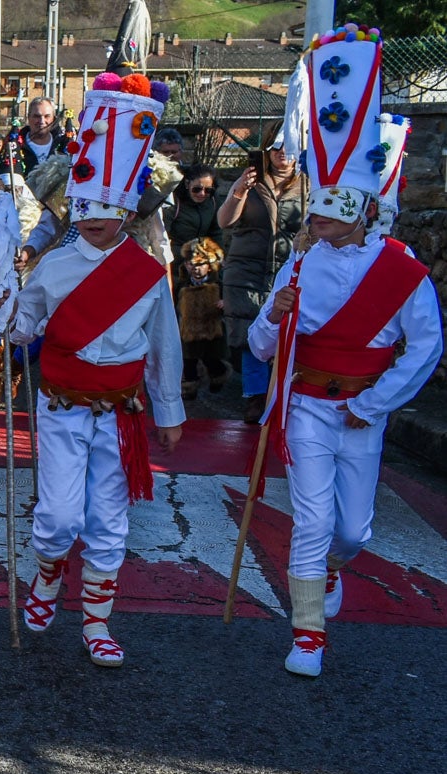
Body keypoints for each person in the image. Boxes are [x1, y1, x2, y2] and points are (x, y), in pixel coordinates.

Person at [247, 25, 442, 678]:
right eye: (314, 220)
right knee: (309, 518)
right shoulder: (297, 265)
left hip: (363, 409)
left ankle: (334, 568)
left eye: (326, 220)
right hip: (305, 403)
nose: (314, 227)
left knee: (352, 532)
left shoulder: (401, 270)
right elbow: (258, 343)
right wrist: (273, 318)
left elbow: (423, 346)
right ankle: (307, 636)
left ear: (360, 214)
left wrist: (379, 401)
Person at [1, 73, 184, 668]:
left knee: (108, 521)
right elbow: (23, 324)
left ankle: (98, 621)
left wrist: (171, 411)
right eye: (87, 209)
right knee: (56, 518)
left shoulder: (148, 274)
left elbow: (164, 346)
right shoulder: (53, 267)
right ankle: (48, 572)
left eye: (107, 210)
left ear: (127, 208)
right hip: (60, 406)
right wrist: (8, 313)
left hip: (121, 413)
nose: (94, 220)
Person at [217, 122, 303, 425]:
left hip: (288, 268)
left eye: (288, 146)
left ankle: (279, 393)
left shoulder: (309, 186)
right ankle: (255, 396)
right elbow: (225, 221)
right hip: (246, 268)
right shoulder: (250, 182)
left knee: (284, 331)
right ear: (266, 149)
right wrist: (239, 192)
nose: (282, 153)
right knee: (251, 332)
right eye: (276, 146)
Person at [176, 237, 229, 397]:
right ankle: (189, 387)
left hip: (211, 327)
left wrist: (224, 302)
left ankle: (218, 376)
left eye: (200, 264)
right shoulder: (182, 285)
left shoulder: (218, 285)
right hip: (188, 329)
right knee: (188, 361)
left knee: (211, 359)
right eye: (191, 264)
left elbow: (229, 299)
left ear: (210, 266)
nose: (196, 268)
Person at [0, 97, 67, 188]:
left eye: (47, 116)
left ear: (54, 119)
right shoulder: (13, 145)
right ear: (28, 117)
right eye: (36, 116)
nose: (42, 121)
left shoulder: (63, 146)